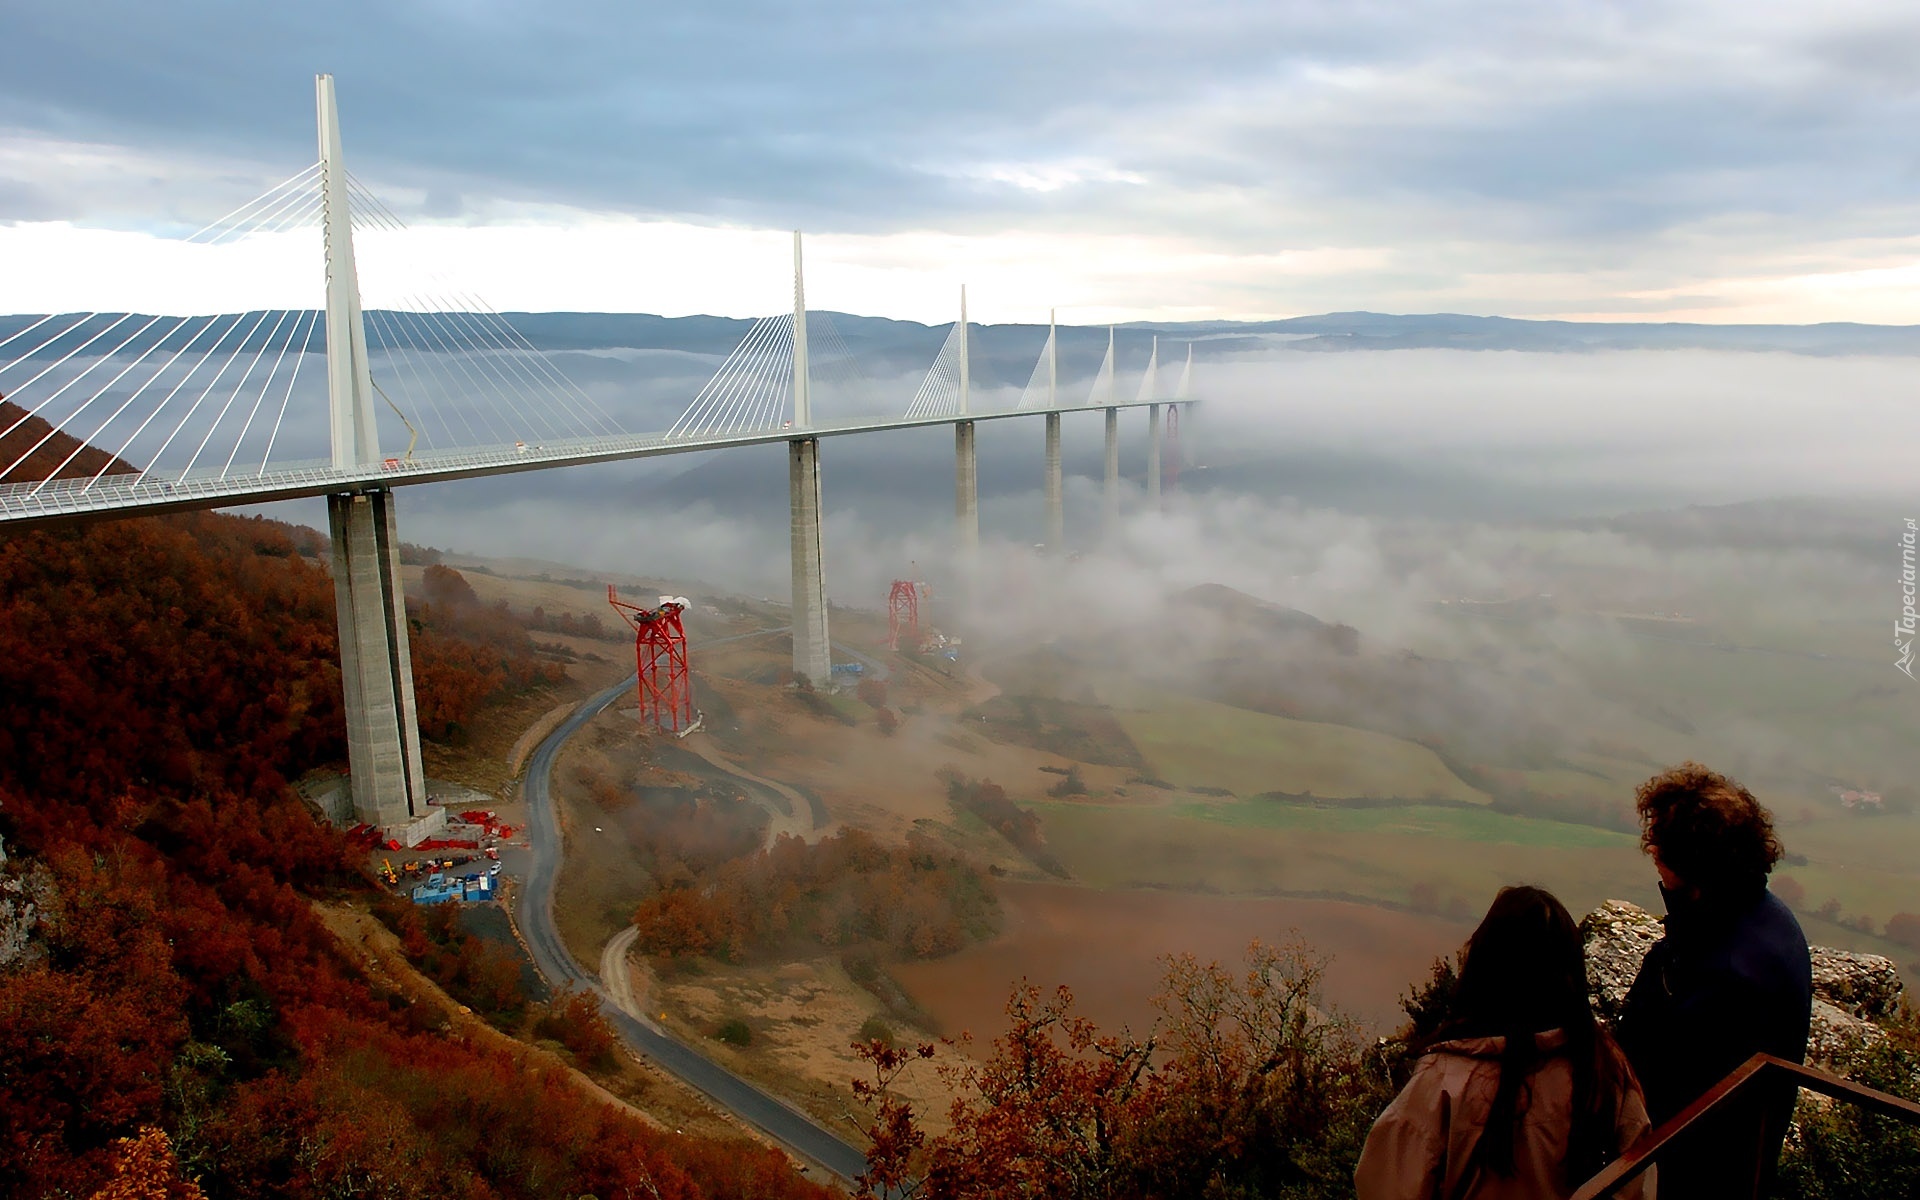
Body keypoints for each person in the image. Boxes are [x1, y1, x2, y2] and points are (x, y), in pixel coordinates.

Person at [1356, 886, 1653, 1200]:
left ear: (1485, 967)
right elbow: (1637, 1175)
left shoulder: (1444, 1081)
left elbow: (1387, 1186)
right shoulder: (1603, 1063)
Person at [1614, 762, 1811, 1199]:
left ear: (1694, 866)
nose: (1655, 858)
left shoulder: (1733, 972)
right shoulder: (1755, 915)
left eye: (1661, 848)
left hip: (1694, 1172)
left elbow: (1667, 1085)